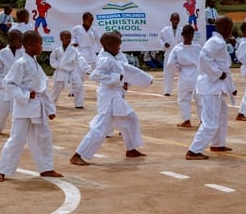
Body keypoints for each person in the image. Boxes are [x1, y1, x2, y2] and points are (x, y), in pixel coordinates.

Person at [70, 32, 149, 166]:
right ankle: (78, 154)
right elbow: (95, 76)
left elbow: (127, 69)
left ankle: (131, 149)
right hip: (108, 96)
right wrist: (116, 79)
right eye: (117, 46)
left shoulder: (111, 57)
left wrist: (145, 79)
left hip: (114, 95)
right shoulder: (105, 59)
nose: (119, 48)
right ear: (108, 45)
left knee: (130, 119)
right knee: (101, 127)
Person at [0, 31, 62, 182]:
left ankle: (46, 168)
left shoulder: (34, 62)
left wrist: (50, 109)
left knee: (44, 138)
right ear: (31, 45)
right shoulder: (21, 63)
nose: (42, 47)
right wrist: (25, 94)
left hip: (38, 107)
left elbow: (43, 88)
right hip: (24, 108)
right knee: (17, 139)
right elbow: (8, 83)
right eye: (40, 44)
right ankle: (3, 170)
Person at [185, 16, 237, 160]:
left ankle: (217, 143)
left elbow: (223, 67)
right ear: (226, 28)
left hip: (217, 86)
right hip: (211, 86)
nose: (231, 31)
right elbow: (204, 58)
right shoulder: (216, 42)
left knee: (222, 116)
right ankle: (194, 150)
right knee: (211, 121)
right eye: (230, 28)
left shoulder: (219, 42)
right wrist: (217, 73)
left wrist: (231, 87)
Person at [166, 24, 202, 128]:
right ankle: (203, 120)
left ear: (182, 35)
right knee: (200, 100)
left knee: (184, 99)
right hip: (196, 74)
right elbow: (204, 61)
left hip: (184, 73)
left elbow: (170, 63)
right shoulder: (198, 47)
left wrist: (178, 69)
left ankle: (187, 120)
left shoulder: (177, 48)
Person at [0, 29, 23, 135]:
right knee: (2, 108)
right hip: (5, 85)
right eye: (19, 41)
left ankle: (17, 131)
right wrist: (1, 82)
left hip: (19, 85)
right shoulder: (3, 53)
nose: (21, 44)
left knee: (18, 110)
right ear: (11, 40)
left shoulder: (24, 52)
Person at [50, 30, 91, 109]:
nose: (69, 40)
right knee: (56, 89)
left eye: (69, 38)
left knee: (79, 86)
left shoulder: (74, 50)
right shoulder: (57, 50)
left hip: (72, 72)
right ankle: (51, 102)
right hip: (61, 72)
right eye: (66, 38)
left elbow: (81, 59)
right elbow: (52, 60)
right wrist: (59, 65)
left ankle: (79, 104)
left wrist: (87, 69)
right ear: (61, 38)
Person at [158, 13, 183, 96]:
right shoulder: (165, 30)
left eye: (177, 19)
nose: (175, 21)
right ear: (171, 20)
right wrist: (164, 43)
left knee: (182, 72)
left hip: (179, 54)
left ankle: (182, 90)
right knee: (168, 72)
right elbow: (159, 38)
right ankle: (167, 90)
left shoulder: (182, 30)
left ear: (179, 21)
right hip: (169, 52)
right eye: (174, 19)